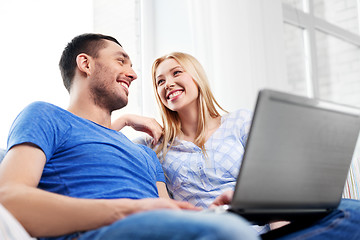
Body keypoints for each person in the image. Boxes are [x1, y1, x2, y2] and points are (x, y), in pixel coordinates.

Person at [0, 34, 260, 240]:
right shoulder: (45, 116)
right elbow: (7, 198)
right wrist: (128, 209)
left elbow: (170, 212)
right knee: (224, 232)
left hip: (158, 229)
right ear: (85, 64)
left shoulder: (146, 152)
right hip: (97, 232)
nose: (134, 74)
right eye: (121, 61)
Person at [113, 52, 360, 239]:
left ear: (196, 78)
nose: (168, 84)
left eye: (176, 73)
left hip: (264, 227)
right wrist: (124, 120)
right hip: (214, 230)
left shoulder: (240, 122)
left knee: (350, 210)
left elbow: (273, 186)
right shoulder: (155, 144)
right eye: (160, 81)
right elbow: (100, 146)